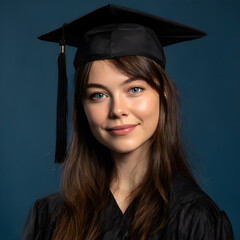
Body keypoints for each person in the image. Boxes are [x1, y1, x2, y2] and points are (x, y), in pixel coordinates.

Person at [22, 4, 234, 240]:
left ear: (162, 94)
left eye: (134, 89)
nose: (118, 110)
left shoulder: (195, 218)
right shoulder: (51, 217)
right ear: (82, 106)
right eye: (98, 95)